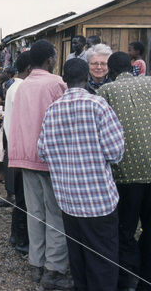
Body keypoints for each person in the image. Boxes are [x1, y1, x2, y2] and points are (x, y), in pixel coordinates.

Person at [38, 59, 124, 291]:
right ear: (87, 77)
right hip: (99, 200)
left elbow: (43, 151)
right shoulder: (99, 105)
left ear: (64, 80)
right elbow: (115, 152)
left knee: (78, 260)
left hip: (68, 199)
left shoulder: (52, 110)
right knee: (103, 261)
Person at [8, 39, 71, 289]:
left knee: (35, 213)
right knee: (55, 215)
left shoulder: (22, 86)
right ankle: (54, 269)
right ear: (51, 59)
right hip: (50, 158)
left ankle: (36, 263)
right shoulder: (56, 83)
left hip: (24, 157)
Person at [98, 51, 151, 290]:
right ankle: (146, 278)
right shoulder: (149, 83)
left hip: (126, 174)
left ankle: (128, 276)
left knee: (125, 229)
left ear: (110, 71)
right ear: (132, 68)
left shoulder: (105, 92)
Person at [3, 51, 32, 254]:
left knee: (22, 197)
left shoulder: (14, 87)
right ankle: (21, 239)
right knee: (24, 198)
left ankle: (16, 235)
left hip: (16, 146)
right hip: (22, 149)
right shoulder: (22, 88)